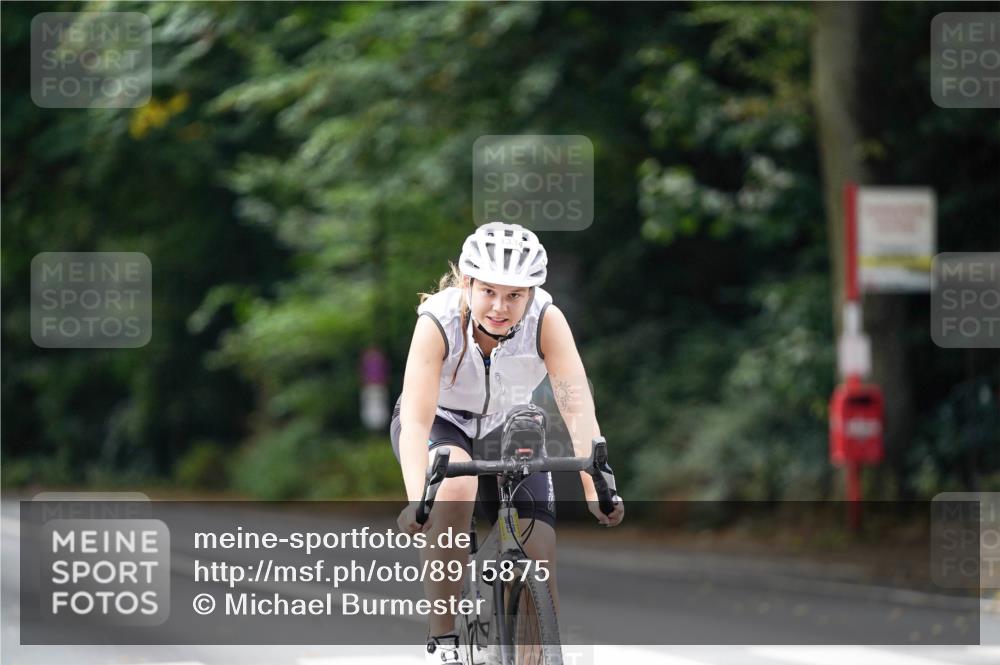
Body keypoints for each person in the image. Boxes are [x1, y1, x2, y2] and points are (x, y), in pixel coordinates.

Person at [391, 221, 625, 664]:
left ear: (531, 294)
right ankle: (444, 642)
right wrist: (418, 501)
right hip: (443, 422)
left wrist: (598, 488)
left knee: (539, 548)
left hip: (508, 424)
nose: (500, 306)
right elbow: (418, 421)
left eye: (515, 295)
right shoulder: (437, 321)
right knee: (454, 489)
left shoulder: (547, 320)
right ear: (468, 284)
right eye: (489, 292)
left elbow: (576, 406)